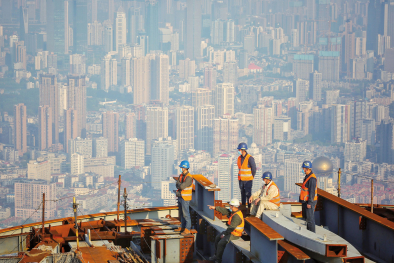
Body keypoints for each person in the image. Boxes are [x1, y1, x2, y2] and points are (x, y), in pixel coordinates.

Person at [207, 199, 244, 263]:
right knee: (217, 238)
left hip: (235, 234)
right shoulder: (234, 212)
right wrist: (215, 207)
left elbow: (231, 228)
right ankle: (216, 255)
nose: (229, 206)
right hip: (232, 232)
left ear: (233, 206)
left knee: (221, 243)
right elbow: (225, 210)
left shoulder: (236, 216)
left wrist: (224, 235)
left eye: (230, 205)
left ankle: (218, 260)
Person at [174, 160, 194, 236]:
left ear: (185, 168)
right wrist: (180, 185)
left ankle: (187, 229)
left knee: (186, 214)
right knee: (181, 213)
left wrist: (180, 185)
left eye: (182, 167)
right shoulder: (181, 175)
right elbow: (177, 184)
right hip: (180, 196)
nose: (181, 168)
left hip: (185, 198)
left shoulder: (189, 177)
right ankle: (182, 227)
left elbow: (182, 186)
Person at [300, 161, 317, 233]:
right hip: (306, 201)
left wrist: (310, 203)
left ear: (307, 169)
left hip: (309, 202)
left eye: (304, 168)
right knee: (307, 219)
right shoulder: (308, 176)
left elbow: (312, 192)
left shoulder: (312, 179)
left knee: (310, 220)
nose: (303, 170)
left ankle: (312, 234)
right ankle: (308, 232)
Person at [237, 143, 256, 208]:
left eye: (239, 149)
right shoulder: (239, 158)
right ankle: (243, 206)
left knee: (248, 194)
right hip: (241, 179)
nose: (238, 151)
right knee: (242, 193)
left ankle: (250, 208)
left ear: (243, 150)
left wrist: (252, 176)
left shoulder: (249, 158)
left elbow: (254, 168)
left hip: (248, 180)